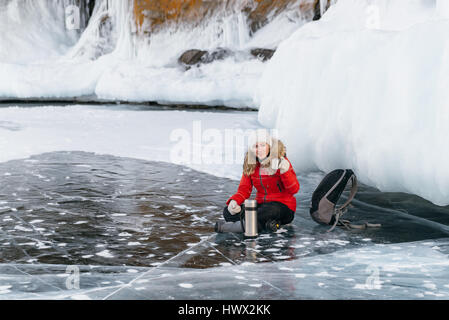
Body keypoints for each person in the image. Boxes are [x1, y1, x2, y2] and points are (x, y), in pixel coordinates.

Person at [215, 129, 300, 233]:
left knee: (265, 212)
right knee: (228, 212)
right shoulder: (251, 164)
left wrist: (285, 171)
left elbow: (294, 189)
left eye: (263, 145)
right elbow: (244, 189)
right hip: (262, 206)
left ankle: (241, 227)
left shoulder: (280, 161)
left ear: (269, 145)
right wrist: (235, 201)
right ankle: (264, 224)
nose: (259, 149)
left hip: (283, 207)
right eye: (256, 146)